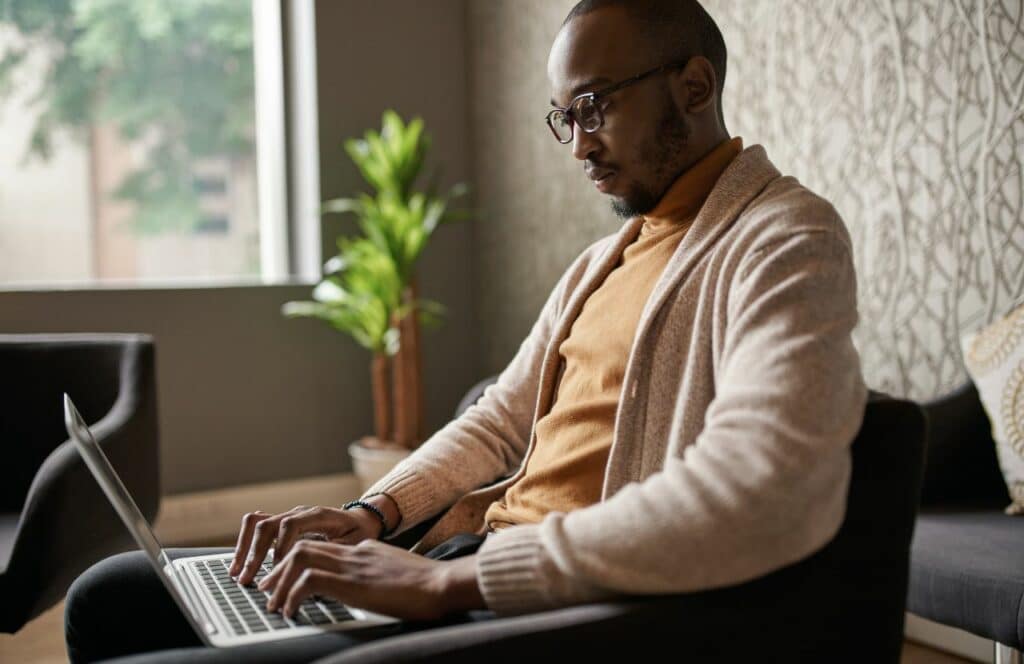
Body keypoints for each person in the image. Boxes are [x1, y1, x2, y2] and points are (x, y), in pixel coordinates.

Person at [64, 0, 866, 661]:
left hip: (557, 605)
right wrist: (371, 515)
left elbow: (765, 485)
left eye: (595, 107)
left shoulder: (785, 238)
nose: (579, 145)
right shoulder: (604, 259)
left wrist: (443, 585)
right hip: (466, 563)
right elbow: (498, 419)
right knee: (109, 596)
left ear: (694, 84)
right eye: (564, 117)